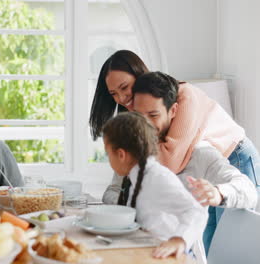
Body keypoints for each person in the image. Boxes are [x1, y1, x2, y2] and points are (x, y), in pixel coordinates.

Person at [103, 71, 257, 253]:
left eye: (153, 115)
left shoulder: (199, 153)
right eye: (138, 115)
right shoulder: (135, 152)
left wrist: (217, 192)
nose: (145, 125)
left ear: (173, 111)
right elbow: (113, 191)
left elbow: (248, 190)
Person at [89, 50, 260, 181]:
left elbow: (168, 162)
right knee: (208, 229)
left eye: (125, 87)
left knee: (229, 229)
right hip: (207, 167)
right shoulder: (139, 110)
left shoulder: (185, 96)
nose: (121, 98)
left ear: (140, 75)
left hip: (235, 158)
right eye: (113, 93)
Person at [103, 112, 207, 259]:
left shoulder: (157, 178)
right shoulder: (136, 179)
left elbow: (196, 211)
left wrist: (178, 240)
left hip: (169, 258)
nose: (108, 159)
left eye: (108, 153)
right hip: (148, 253)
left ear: (121, 155)